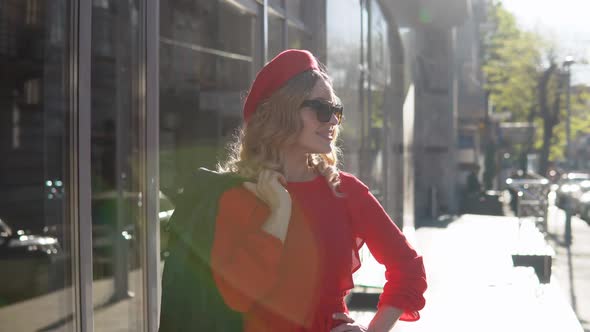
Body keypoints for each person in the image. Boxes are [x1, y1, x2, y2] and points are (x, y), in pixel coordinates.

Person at [159, 49, 426, 332]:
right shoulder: (236, 195)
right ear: (281, 113)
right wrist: (280, 212)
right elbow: (237, 296)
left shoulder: (345, 191)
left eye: (336, 110)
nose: (333, 121)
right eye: (322, 110)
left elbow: (409, 268)